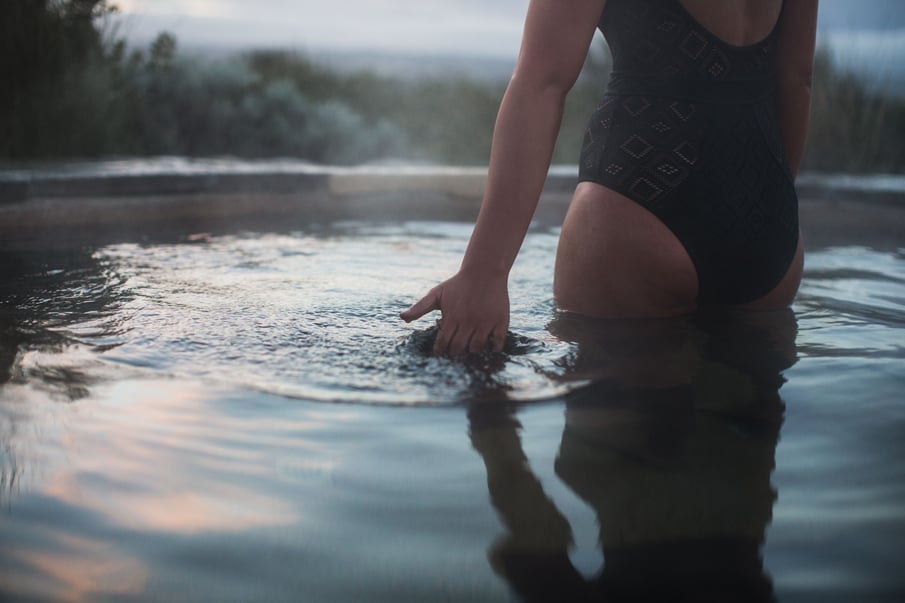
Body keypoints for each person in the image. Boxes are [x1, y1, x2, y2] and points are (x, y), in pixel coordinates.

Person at [401, 0, 819, 356]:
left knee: (613, 445)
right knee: (744, 437)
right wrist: (763, 204)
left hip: (638, 208)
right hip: (768, 225)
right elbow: (797, 80)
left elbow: (542, 83)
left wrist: (483, 273)